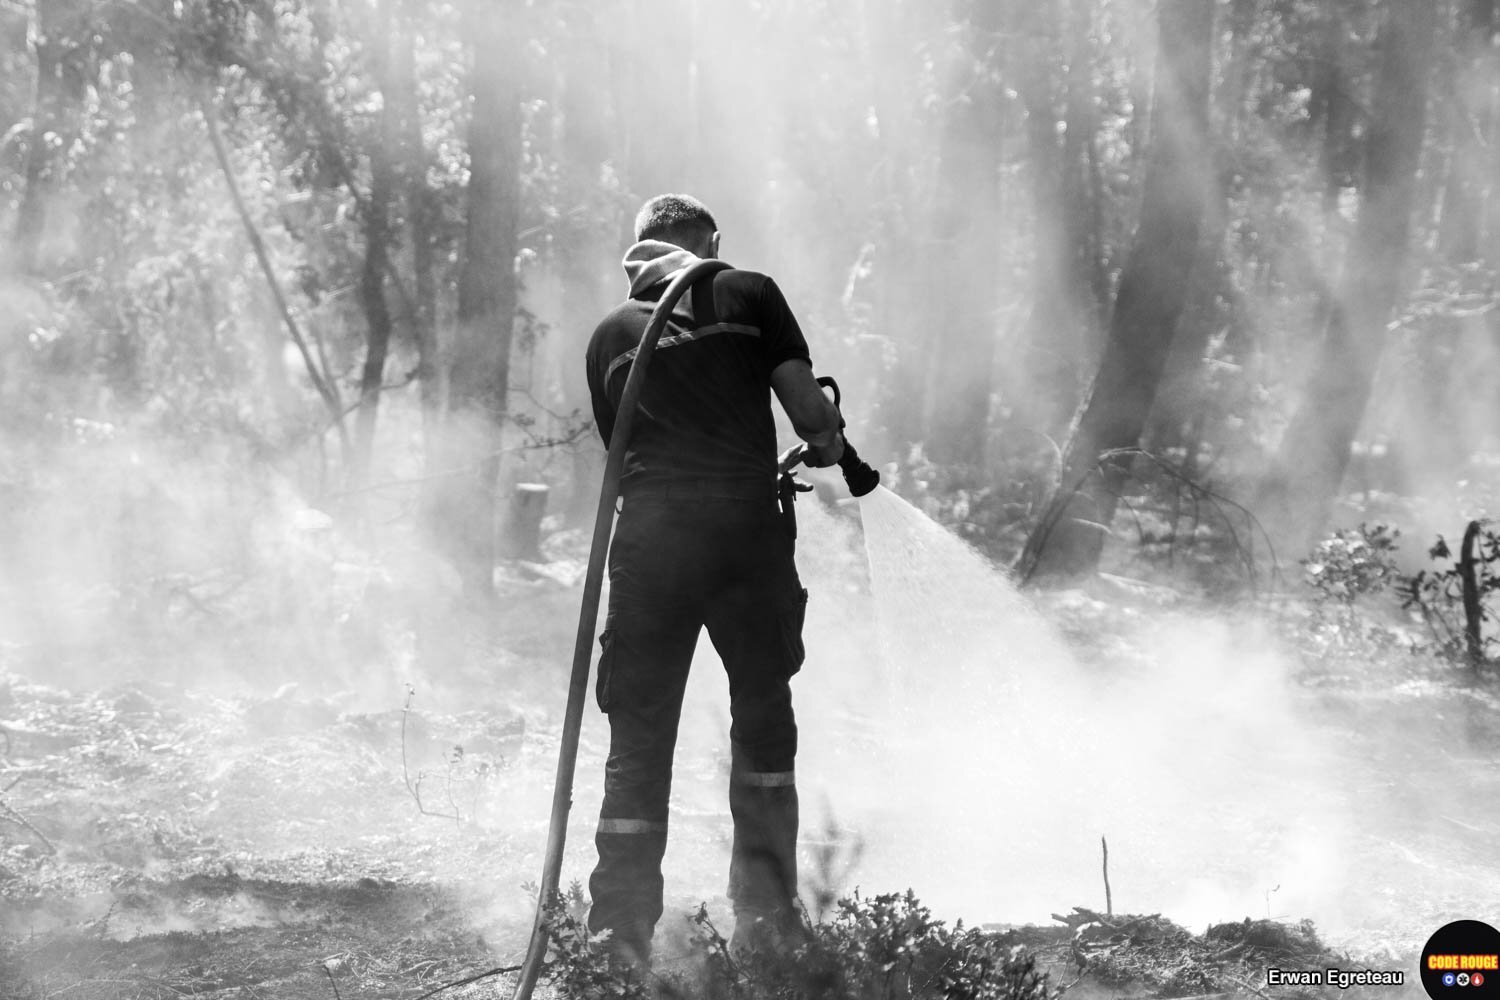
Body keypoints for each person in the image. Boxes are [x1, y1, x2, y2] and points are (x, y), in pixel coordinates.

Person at [584, 193, 845, 971]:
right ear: (711, 241)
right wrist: (828, 442)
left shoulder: (609, 337)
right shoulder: (749, 293)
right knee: (763, 724)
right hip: (744, 538)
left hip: (650, 548)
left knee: (638, 737)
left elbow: (623, 456)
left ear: (639, 252)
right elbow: (809, 413)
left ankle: (617, 939)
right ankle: (766, 921)